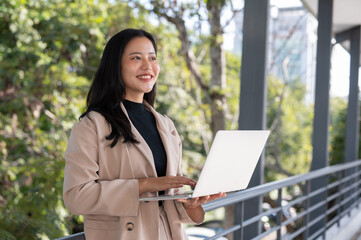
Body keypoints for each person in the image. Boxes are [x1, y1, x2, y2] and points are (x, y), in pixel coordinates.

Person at [63, 28, 225, 240]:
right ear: (115, 66)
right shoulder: (92, 125)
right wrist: (144, 185)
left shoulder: (166, 126)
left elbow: (169, 204)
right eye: (136, 58)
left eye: (152, 58)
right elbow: (76, 197)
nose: (148, 66)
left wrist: (192, 204)